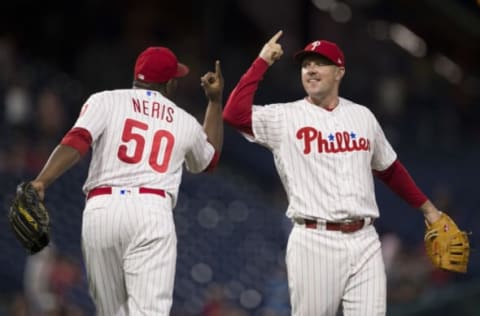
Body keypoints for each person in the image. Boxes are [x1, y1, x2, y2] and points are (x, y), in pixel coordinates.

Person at [223, 30, 445, 316]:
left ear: (339, 72)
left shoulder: (362, 116)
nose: (311, 69)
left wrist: (429, 209)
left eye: (320, 63)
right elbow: (233, 114)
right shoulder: (284, 116)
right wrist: (262, 61)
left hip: (364, 239)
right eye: (306, 64)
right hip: (315, 240)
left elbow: (389, 169)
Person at [29, 46, 224, 316]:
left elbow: (77, 140)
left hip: (102, 209)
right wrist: (214, 102)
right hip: (150, 210)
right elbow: (209, 160)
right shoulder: (184, 120)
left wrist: (41, 182)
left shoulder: (105, 100)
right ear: (169, 83)